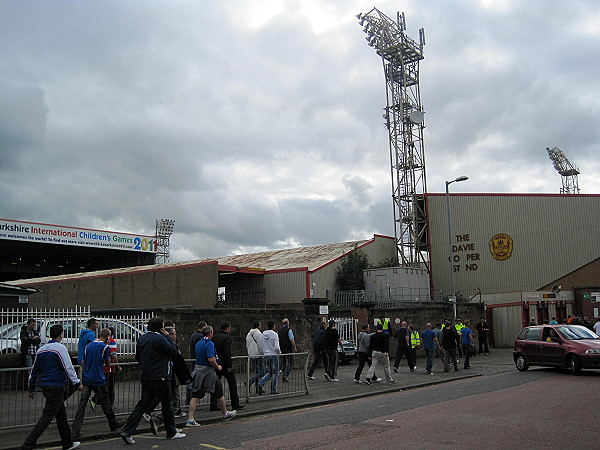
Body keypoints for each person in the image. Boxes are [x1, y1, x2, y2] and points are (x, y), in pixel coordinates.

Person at [120, 317, 186, 444]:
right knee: (167, 404)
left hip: (146, 376)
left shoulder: (142, 338)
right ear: (160, 328)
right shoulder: (160, 338)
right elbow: (173, 351)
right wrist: (168, 337)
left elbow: (138, 357)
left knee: (142, 405)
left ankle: (127, 431)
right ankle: (171, 432)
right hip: (160, 376)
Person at [21, 324, 83, 450]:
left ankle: (67, 443)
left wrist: (31, 387)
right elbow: (68, 367)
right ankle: (28, 444)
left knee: (61, 416)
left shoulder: (42, 349)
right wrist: (77, 383)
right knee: (47, 416)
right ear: (61, 334)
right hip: (56, 385)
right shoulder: (60, 348)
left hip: (45, 385)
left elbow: (34, 370)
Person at [71, 328, 126, 439]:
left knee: (82, 404)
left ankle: (76, 429)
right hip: (98, 379)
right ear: (107, 337)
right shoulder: (105, 347)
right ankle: (113, 423)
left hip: (87, 378)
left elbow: (83, 362)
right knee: (106, 402)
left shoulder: (88, 346)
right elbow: (107, 362)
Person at [187, 326, 236, 426]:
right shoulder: (209, 343)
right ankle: (225, 414)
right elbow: (211, 359)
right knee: (219, 392)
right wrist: (217, 366)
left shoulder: (199, 343)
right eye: (212, 332)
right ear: (210, 333)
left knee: (195, 395)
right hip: (208, 372)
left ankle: (190, 418)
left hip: (198, 371)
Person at [146, 325, 192, 434]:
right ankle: (159, 420)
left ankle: (170, 426)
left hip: (168, 377)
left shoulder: (165, 343)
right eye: (174, 334)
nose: (175, 336)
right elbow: (176, 359)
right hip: (170, 377)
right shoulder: (167, 344)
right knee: (173, 403)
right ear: (169, 334)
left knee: (170, 402)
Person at [210, 322, 244, 410]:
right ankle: (235, 403)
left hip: (217, 363)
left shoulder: (215, 337)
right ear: (227, 328)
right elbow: (227, 352)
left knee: (215, 384)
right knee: (232, 383)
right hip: (225, 364)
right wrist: (229, 365)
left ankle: (213, 404)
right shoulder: (227, 338)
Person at [258, 321, 281, 395]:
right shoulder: (275, 334)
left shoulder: (263, 334)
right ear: (273, 326)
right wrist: (279, 352)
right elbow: (277, 346)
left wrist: (263, 353)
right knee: (275, 373)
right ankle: (273, 389)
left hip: (266, 355)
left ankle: (261, 383)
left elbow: (261, 345)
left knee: (270, 372)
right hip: (273, 354)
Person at [246, 321, 264, 393]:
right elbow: (260, 344)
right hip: (258, 354)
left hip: (251, 354)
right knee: (262, 372)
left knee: (257, 372)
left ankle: (257, 388)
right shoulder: (258, 333)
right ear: (258, 326)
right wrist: (262, 353)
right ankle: (249, 382)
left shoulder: (249, 333)